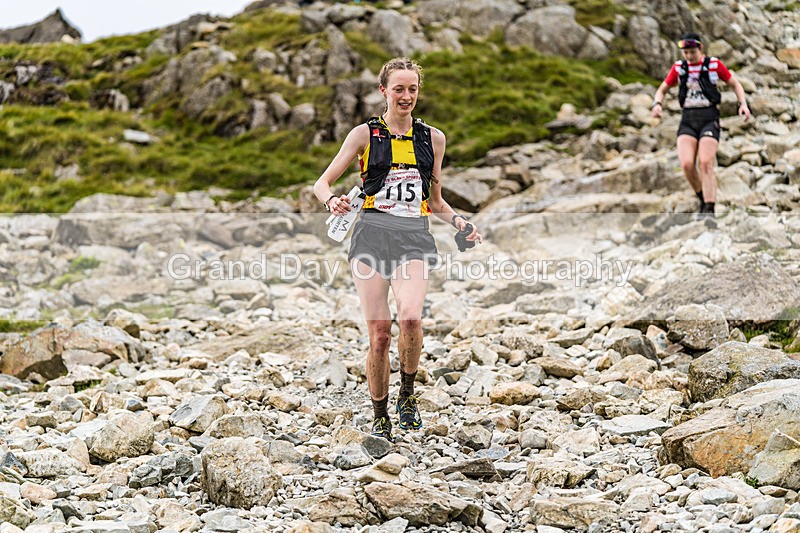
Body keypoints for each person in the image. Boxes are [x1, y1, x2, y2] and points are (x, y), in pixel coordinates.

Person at [313, 57, 481, 442]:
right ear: (383, 91)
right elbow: (322, 183)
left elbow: (436, 202)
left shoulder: (432, 139)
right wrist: (331, 202)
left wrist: (461, 223)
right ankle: (380, 413)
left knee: (409, 319)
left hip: (414, 238)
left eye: (413, 89)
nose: (406, 96)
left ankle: (407, 394)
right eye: (399, 89)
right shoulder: (364, 135)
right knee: (380, 336)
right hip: (371, 235)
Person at [651, 32, 751, 219]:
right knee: (687, 164)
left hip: (709, 117)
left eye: (692, 52)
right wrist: (657, 105)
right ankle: (702, 197)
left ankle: (710, 211)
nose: (689, 56)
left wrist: (742, 104)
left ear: (700, 49)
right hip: (688, 119)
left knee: (705, 163)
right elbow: (662, 89)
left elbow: (735, 84)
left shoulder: (714, 65)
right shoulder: (680, 68)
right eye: (686, 52)